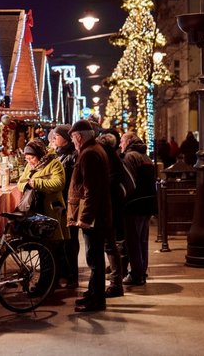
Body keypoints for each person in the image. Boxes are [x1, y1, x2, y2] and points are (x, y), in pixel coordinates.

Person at [67, 120, 111, 312]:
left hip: (94, 217)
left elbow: (92, 190)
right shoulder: (92, 150)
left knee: (94, 258)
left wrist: (85, 218)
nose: (72, 141)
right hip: (97, 214)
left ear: (79, 136)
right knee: (94, 257)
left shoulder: (89, 154)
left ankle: (97, 300)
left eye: (73, 137)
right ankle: (93, 293)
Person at [95, 131, 133, 298]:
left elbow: (110, 180)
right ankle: (117, 276)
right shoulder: (113, 156)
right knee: (113, 242)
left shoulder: (108, 158)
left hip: (111, 205)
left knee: (113, 242)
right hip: (114, 203)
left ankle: (116, 279)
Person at [120, 132, 156, 286]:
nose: (121, 144)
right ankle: (142, 271)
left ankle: (136, 274)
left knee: (133, 241)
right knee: (142, 240)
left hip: (134, 204)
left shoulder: (130, 157)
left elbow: (129, 182)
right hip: (148, 204)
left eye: (122, 141)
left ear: (128, 141)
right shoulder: (146, 157)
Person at [17, 139, 68, 240]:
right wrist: (27, 185)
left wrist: (36, 183)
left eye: (32, 158)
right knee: (40, 242)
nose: (29, 161)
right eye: (27, 159)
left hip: (51, 207)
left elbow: (59, 183)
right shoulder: (29, 166)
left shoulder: (54, 164)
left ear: (39, 155)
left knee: (53, 241)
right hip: (36, 208)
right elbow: (20, 183)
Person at [53, 124, 80, 288]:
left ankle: (71, 275)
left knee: (69, 241)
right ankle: (63, 274)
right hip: (61, 204)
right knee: (62, 241)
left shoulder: (71, 156)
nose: (54, 138)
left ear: (65, 138)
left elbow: (70, 183)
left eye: (57, 136)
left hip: (66, 204)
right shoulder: (59, 154)